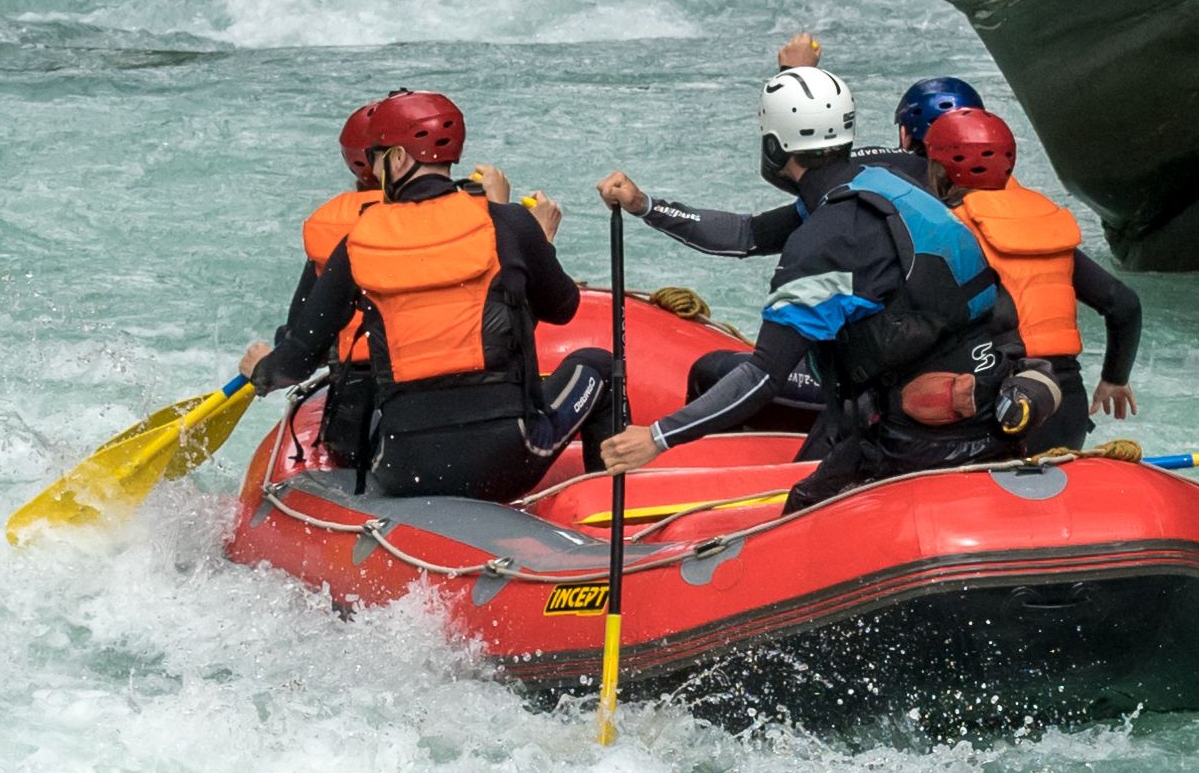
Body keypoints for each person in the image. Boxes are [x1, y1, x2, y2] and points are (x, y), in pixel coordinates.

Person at [594, 57, 1021, 505]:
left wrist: (657, 438)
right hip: (985, 398)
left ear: (776, 148)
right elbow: (746, 234)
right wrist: (647, 206)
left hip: (920, 436)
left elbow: (763, 375)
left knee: (798, 514)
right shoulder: (880, 183)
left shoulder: (824, 243)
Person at [243, 90, 612, 504]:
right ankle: (607, 512)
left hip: (403, 467)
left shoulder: (357, 244)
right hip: (510, 462)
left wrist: (262, 372)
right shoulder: (508, 224)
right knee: (600, 365)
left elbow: (296, 361)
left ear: (398, 159)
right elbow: (562, 309)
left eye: (379, 155)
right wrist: (540, 243)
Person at [915, 105, 1141, 458]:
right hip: (1066, 408)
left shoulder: (949, 232)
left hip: (999, 409)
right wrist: (1114, 378)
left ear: (939, 169)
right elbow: (1124, 304)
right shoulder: (1046, 222)